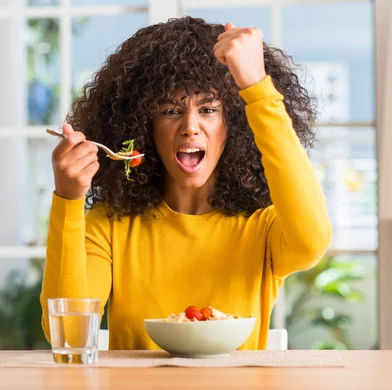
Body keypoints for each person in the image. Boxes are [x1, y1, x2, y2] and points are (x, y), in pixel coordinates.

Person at [39, 16, 331, 350]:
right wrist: (69, 198)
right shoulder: (109, 225)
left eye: (208, 109)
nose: (190, 126)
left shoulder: (261, 226)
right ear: (144, 127)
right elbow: (70, 335)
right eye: (169, 111)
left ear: (234, 124)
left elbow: (311, 243)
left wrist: (257, 88)